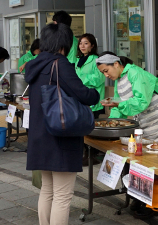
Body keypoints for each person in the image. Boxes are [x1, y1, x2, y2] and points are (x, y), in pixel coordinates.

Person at [25, 23, 99, 225]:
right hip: (60, 136)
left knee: (47, 190)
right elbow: (83, 94)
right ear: (65, 43)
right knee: (62, 196)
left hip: (40, 137)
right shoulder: (60, 64)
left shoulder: (35, 65)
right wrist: (95, 94)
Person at [96, 51, 158, 143]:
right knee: (141, 148)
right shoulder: (118, 79)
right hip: (142, 118)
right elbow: (118, 103)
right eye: (102, 73)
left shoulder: (135, 73)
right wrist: (111, 122)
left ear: (116, 64)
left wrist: (119, 105)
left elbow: (141, 101)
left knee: (152, 150)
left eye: (106, 71)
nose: (106, 75)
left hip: (157, 116)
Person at [75, 33, 105, 118]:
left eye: (86, 43)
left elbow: (99, 78)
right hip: (81, 98)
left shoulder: (97, 60)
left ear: (92, 46)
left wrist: (81, 80)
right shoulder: (78, 60)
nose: (82, 46)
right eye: (80, 43)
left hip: (94, 100)